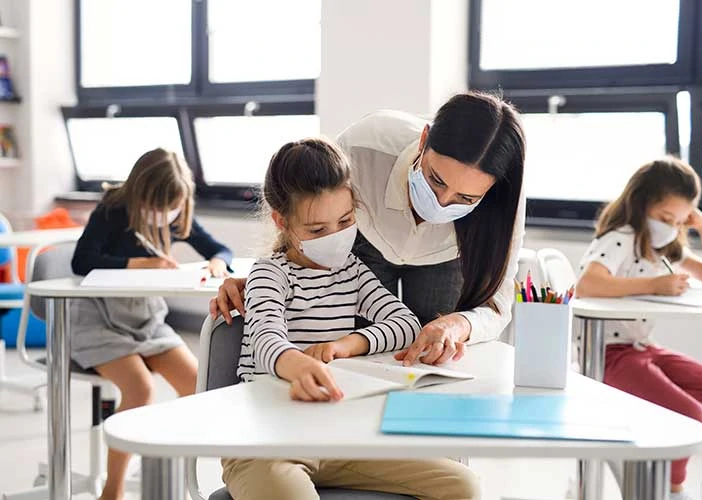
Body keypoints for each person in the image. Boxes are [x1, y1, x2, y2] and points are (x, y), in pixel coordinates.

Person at [221, 137, 480, 500]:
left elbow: (405, 325)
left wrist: (346, 345)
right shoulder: (269, 274)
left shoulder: (351, 271)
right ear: (282, 222)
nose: (335, 237)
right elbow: (265, 338)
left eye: (345, 220)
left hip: (339, 437)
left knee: (462, 484)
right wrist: (295, 364)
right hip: (266, 444)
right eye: (316, 230)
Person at [211, 91, 526, 366]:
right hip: (367, 244)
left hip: (443, 256)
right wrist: (269, 279)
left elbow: (494, 306)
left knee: (431, 355)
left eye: (465, 198)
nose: (441, 203)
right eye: (436, 179)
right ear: (423, 140)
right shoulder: (364, 145)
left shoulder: (505, 197)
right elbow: (309, 210)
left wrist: (456, 325)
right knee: (356, 350)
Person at [576, 157, 702, 500]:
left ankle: (650, 450)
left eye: (680, 220)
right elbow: (588, 283)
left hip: (644, 348)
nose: (672, 226)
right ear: (642, 205)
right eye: (666, 218)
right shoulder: (621, 236)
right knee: (690, 414)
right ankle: (671, 488)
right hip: (609, 353)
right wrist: (654, 285)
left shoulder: (661, 244)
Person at [71, 148, 233, 500]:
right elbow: (81, 260)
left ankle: (159, 462)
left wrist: (218, 265)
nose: (163, 216)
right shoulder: (112, 210)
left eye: (169, 207)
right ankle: (111, 492)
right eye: (156, 207)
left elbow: (220, 249)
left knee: (198, 384)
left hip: (146, 320)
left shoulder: (177, 217)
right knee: (141, 389)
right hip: (98, 320)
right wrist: (138, 263)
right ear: (139, 193)